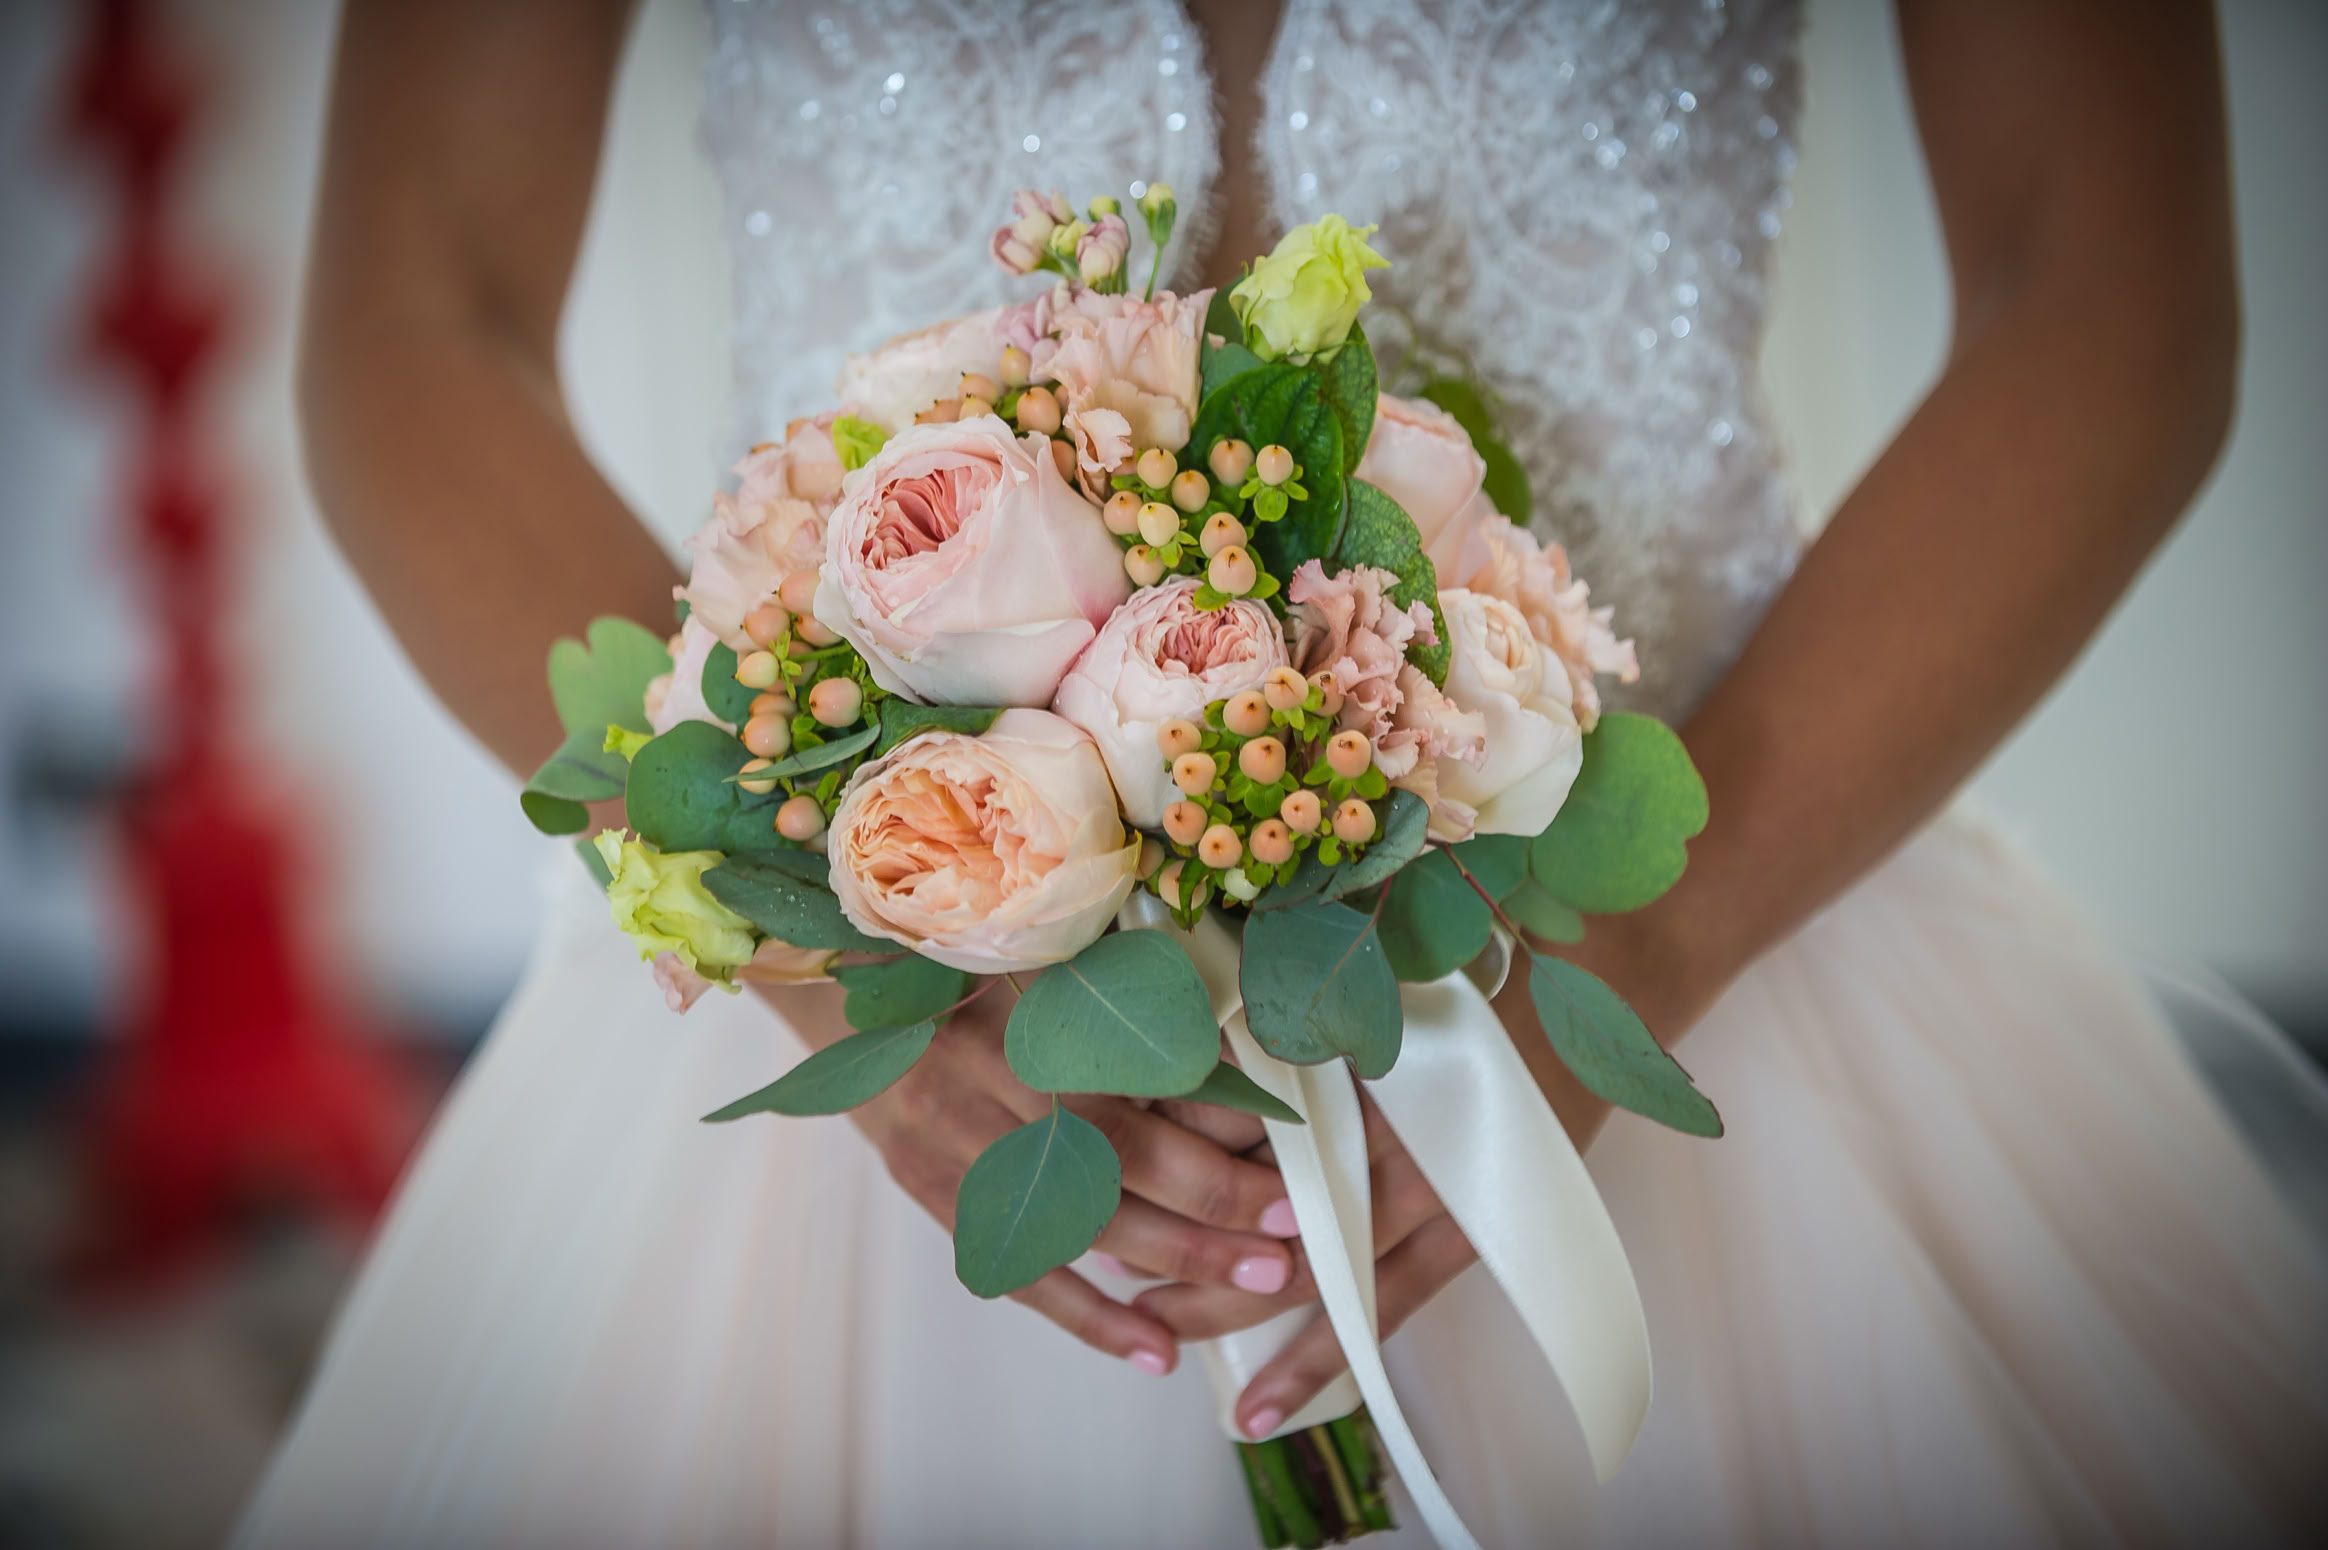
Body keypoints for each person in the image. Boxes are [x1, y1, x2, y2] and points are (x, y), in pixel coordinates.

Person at [240, 0, 2328, 1545]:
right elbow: (421, 312)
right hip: (886, 1010)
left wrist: (1642, 948)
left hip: (1696, 962)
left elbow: (2109, 285)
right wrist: (827, 962)